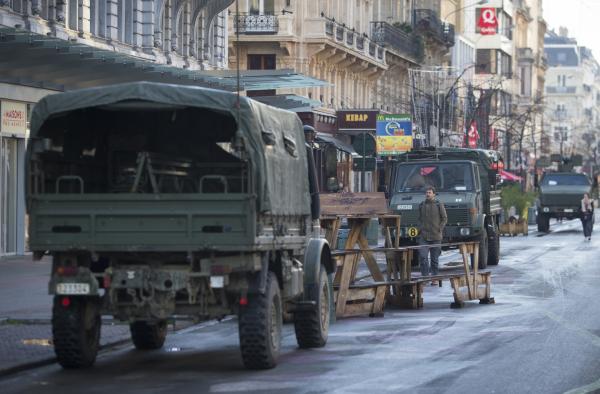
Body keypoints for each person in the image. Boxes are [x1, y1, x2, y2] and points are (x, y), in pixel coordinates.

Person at [418, 186, 448, 285]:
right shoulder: (421, 205)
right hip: (424, 236)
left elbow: (444, 218)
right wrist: (420, 229)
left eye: (429, 192)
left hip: (436, 236)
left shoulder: (439, 204)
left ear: (434, 194)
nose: (428, 194)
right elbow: (419, 219)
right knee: (423, 257)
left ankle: (434, 278)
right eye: (426, 192)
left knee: (434, 260)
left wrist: (440, 228)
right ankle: (425, 278)